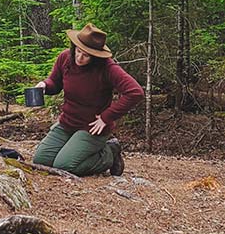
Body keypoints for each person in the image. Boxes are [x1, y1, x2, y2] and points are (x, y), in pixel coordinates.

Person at [32, 23, 144, 176]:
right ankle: (77, 148)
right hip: (68, 122)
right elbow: (55, 83)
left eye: (86, 55)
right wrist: (44, 85)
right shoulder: (65, 58)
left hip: (92, 127)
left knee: (64, 166)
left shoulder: (107, 68)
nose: (79, 57)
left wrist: (107, 117)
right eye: (78, 51)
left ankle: (109, 153)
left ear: (96, 56)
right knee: (41, 160)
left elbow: (135, 92)